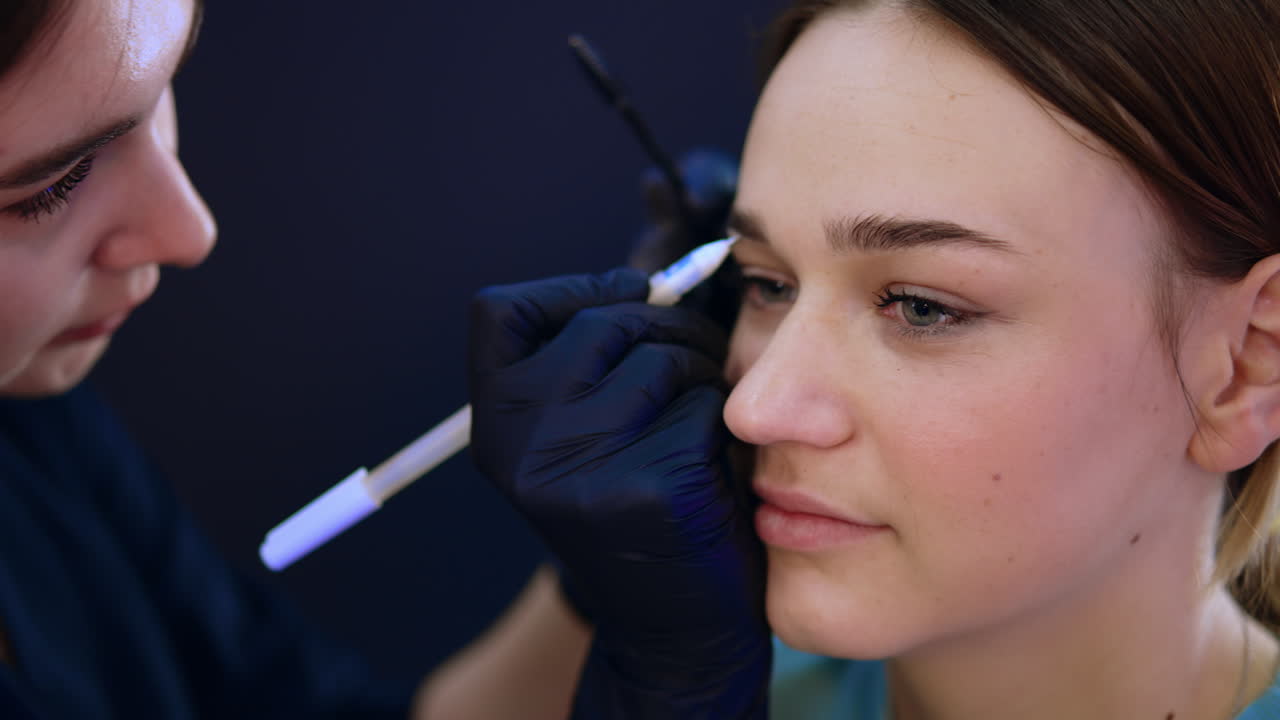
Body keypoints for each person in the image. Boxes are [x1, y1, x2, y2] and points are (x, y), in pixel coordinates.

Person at [449, 0, 1280, 718]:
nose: (754, 406)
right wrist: (607, 597)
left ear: (1246, 365)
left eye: (921, 307)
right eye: (766, 283)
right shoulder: (730, 670)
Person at [0, 0, 753, 717]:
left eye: (162, 91)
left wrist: (610, 585)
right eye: (50, 186)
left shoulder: (36, 430)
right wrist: (678, 686)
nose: (190, 230)